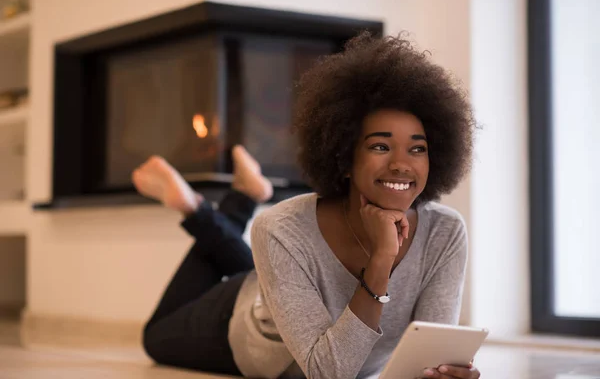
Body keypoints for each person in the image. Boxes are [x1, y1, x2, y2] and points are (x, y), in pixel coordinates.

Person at [138, 32, 479, 379]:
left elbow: (430, 361)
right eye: (380, 146)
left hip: (277, 278)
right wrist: (381, 260)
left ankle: (238, 198)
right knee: (155, 337)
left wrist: (444, 372)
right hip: (241, 323)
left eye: (417, 148)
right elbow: (327, 372)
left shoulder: (445, 232)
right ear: (344, 156)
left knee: (265, 260)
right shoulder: (281, 228)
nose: (401, 164)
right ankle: (203, 208)